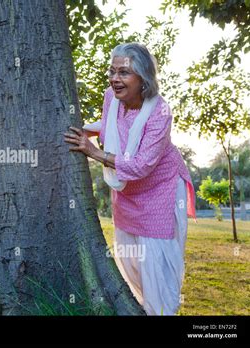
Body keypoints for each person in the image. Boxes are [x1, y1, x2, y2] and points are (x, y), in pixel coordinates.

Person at [64, 43, 196, 315]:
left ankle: (161, 311)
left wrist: (95, 153)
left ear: (143, 78)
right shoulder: (111, 98)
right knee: (132, 259)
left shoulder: (160, 112)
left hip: (160, 188)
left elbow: (141, 165)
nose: (115, 79)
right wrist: (84, 131)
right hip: (127, 191)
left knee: (156, 264)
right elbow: (112, 126)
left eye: (124, 73)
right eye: (112, 71)